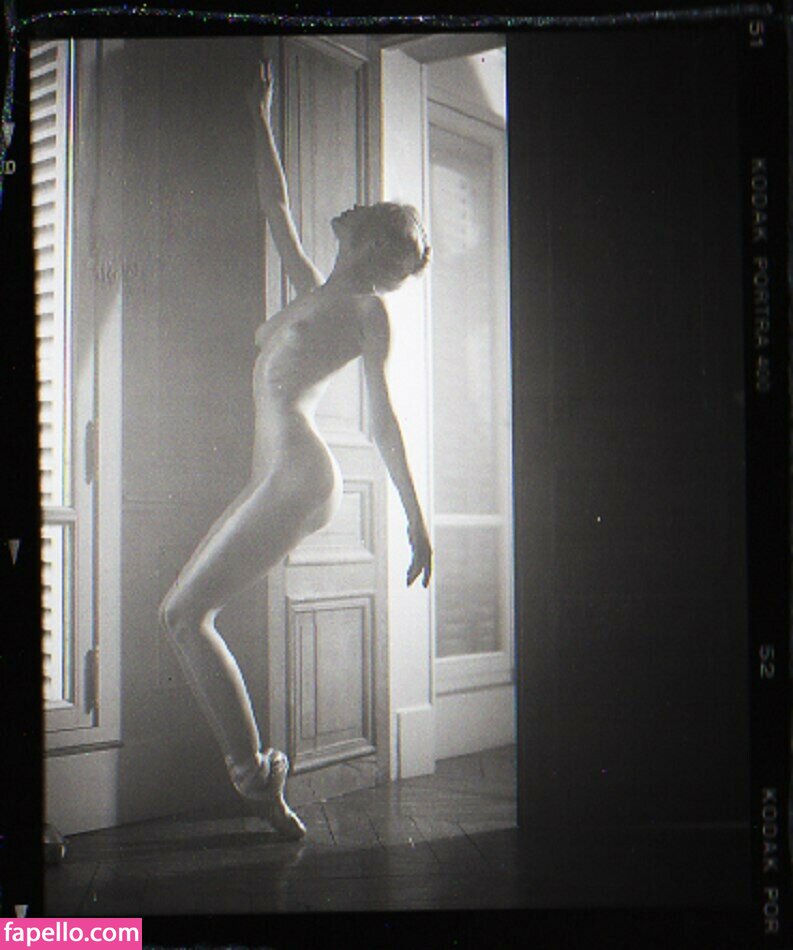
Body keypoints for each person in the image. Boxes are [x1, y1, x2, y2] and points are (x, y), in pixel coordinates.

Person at [159, 61, 432, 839]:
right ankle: (256, 780)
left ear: (372, 240)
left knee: (182, 614)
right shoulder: (316, 288)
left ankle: (254, 776)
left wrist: (416, 521)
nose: (350, 207)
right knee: (185, 615)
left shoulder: (366, 310)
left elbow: (383, 422)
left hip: (300, 472)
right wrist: (258, 111)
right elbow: (275, 204)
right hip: (278, 471)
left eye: (366, 212)